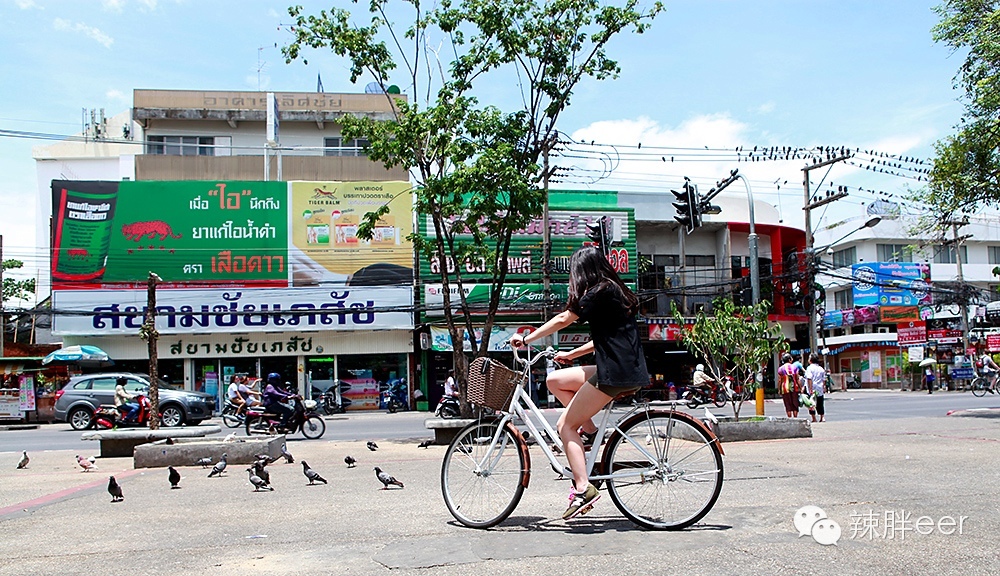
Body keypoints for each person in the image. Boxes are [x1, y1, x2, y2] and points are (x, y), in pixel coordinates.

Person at [508, 246, 648, 520]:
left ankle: (584, 488)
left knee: (565, 426)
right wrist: (572, 354)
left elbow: (564, 318)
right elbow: (606, 338)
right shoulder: (611, 291)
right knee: (555, 380)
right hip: (618, 365)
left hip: (615, 372)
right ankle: (592, 432)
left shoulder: (600, 291)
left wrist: (527, 339)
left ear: (583, 272)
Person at [804, 353, 826, 422]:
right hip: (819, 387)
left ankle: (814, 418)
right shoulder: (821, 368)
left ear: (810, 360)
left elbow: (809, 378)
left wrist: (810, 388)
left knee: (811, 403)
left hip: (812, 387)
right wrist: (824, 387)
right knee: (820, 402)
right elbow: (824, 379)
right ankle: (822, 417)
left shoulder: (809, 368)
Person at [777, 354, 799, 418]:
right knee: (795, 404)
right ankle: (795, 418)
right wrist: (801, 387)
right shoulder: (794, 367)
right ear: (789, 360)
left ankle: (789, 418)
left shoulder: (780, 369)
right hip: (794, 387)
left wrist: (779, 389)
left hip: (785, 388)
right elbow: (797, 379)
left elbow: (779, 381)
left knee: (787, 405)